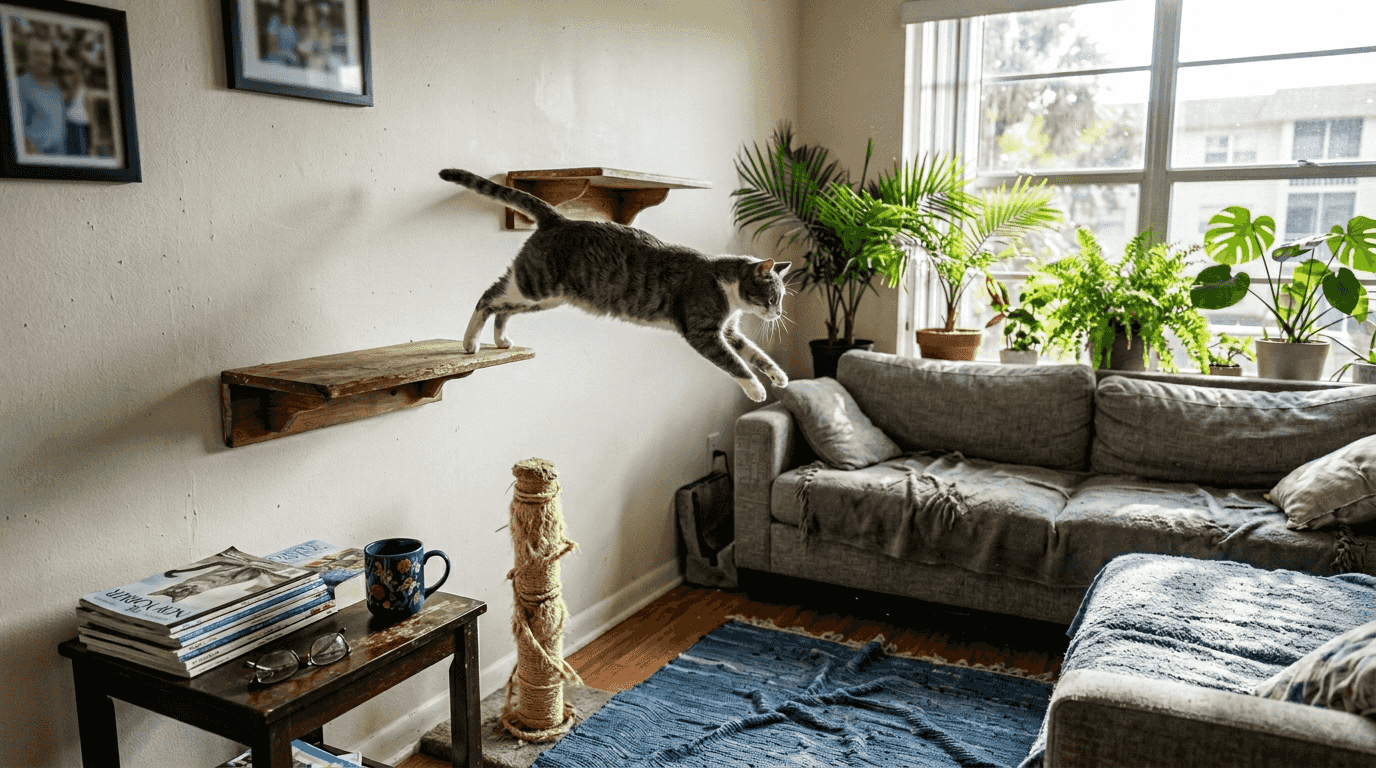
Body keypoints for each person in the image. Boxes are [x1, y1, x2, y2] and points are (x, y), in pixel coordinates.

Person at [17, 38, 66, 155]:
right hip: (36, 154)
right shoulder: (19, 85)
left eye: (47, 55)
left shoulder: (56, 85)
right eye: (37, 54)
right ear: (28, 58)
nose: (43, 59)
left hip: (59, 152)